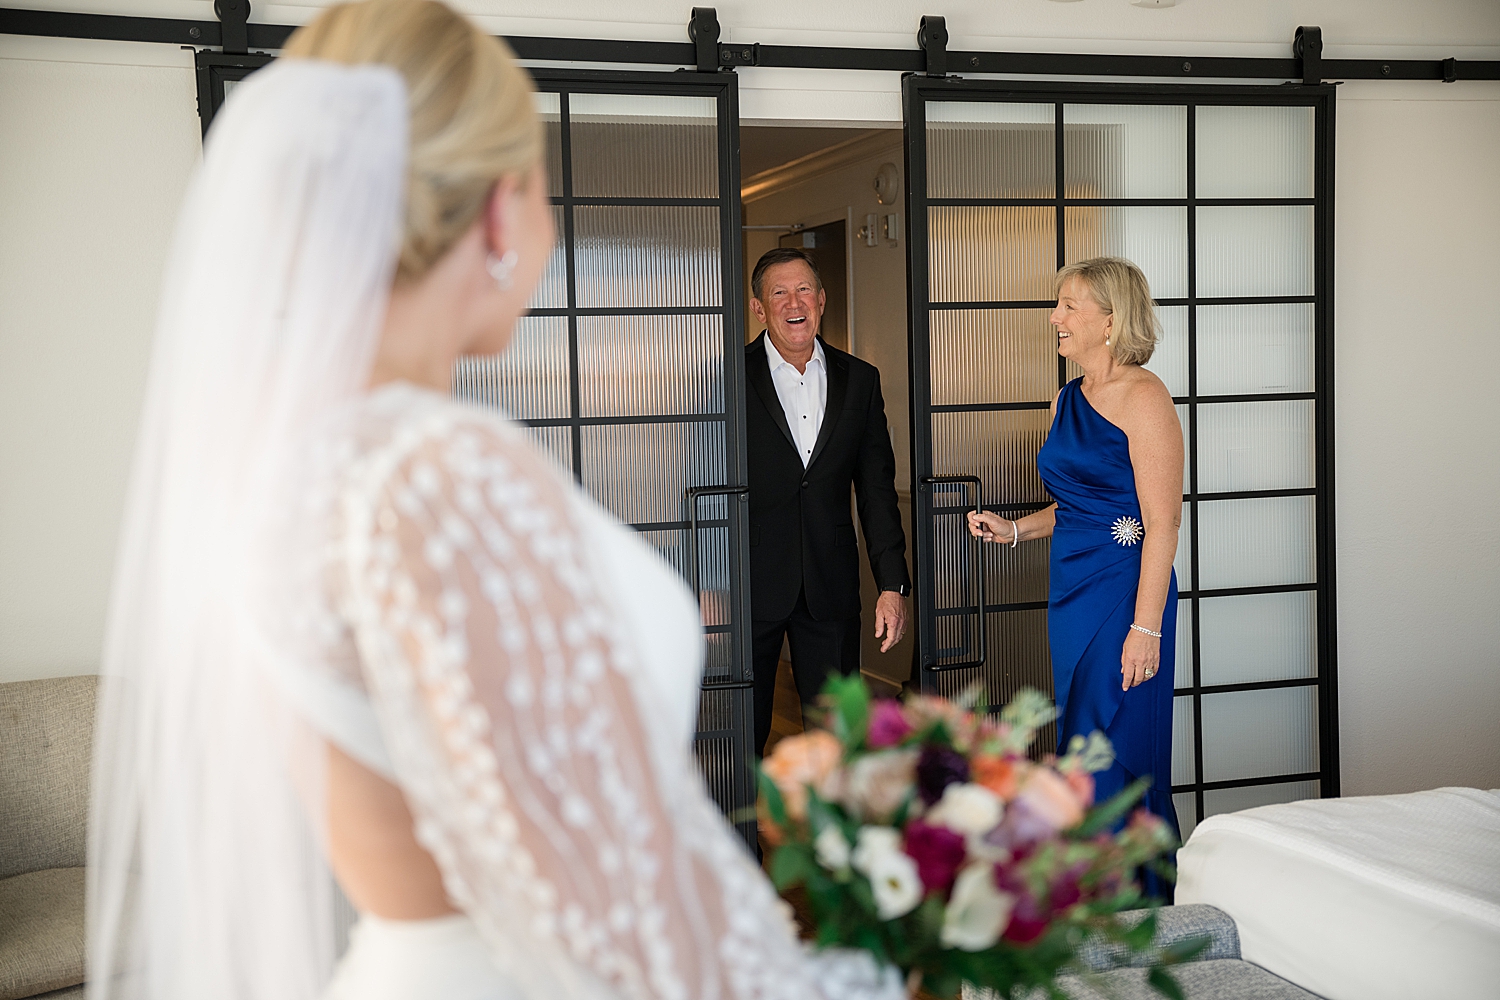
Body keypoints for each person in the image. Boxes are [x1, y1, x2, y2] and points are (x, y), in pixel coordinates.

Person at [87, 3, 904, 1000]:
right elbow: (606, 886)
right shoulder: (436, 468)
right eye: (540, 187)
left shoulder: (294, 458)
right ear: (495, 212)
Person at [967, 257, 1182, 846]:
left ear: (1111, 320)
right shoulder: (1069, 397)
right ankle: (1087, 892)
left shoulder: (1145, 396)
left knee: (1112, 743)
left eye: (1068, 306)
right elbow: (1079, 507)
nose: (1053, 316)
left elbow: (1162, 522)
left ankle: (1136, 901)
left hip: (1124, 595)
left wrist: (1147, 628)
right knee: (1079, 744)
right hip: (1071, 594)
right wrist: (1014, 531)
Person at [744, 248, 911, 757]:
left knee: (837, 740)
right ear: (759, 308)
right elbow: (703, 482)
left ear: (821, 300)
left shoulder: (860, 380)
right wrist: (709, 584)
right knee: (741, 735)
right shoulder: (727, 377)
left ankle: (828, 838)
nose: (794, 303)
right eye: (779, 292)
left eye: (803, 291)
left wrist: (891, 584)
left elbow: (878, 489)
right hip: (748, 586)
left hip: (831, 587)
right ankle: (737, 839)